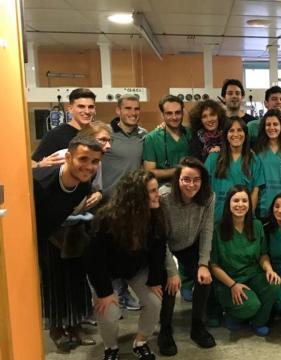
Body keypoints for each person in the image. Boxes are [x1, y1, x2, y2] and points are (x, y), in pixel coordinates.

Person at [32, 136, 103, 353]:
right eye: (83, 159)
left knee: (73, 281)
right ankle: (55, 328)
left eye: (94, 161)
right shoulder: (39, 181)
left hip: (64, 235)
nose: (89, 167)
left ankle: (73, 325)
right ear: (68, 157)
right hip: (39, 239)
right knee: (51, 285)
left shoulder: (84, 185)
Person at [86, 170, 166, 360]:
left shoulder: (155, 213)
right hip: (107, 272)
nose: (158, 194)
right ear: (136, 196)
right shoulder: (106, 219)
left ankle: (140, 342)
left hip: (136, 268)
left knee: (154, 302)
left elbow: (158, 249)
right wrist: (104, 293)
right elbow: (94, 260)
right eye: (152, 191)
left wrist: (155, 280)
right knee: (108, 312)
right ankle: (111, 348)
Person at [157, 157, 216, 356]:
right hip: (164, 244)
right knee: (169, 284)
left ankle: (197, 326)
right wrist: (172, 271)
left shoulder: (208, 197)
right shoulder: (163, 197)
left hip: (189, 245)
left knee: (205, 279)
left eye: (196, 180)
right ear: (177, 179)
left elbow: (207, 231)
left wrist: (203, 263)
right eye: (186, 179)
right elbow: (160, 239)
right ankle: (165, 330)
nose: (191, 184)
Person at [210, 185, 281, 336]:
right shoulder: (218, 230)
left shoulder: (256, 226)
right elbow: (213, 265)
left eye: (244, 201)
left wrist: (269, 269)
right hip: (228, 281)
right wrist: (233, 285)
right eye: (236, 201)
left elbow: (263, 254)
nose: (240, 205)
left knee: (274, 284)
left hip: (252, 275)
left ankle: (258, 322)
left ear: (250, 204)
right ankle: (232, 315)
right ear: (228, 204)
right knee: (252, 305)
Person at [100, 94, 147, 310]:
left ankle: (126, 294)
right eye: (128, 108)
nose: (132, 113)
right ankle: (114, 296)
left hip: (133, 206)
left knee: (129, 250)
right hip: (108, 204)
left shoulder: (143, 136)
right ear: (118, 110)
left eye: (136, 109)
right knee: (109, 252)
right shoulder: (105, 135)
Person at [204, 117, 265, 222]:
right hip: (217, 217)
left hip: (243, 218)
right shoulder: (214, 158)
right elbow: (204, 187)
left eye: (239, 130)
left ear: (246, 135)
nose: (235, 134)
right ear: (226, 135)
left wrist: (249, 216)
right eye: (231, 131)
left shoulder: (254, 160)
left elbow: (255, 191)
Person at [32, 88, 97, 168]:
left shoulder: (97, 134)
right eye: (81, 106)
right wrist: (40, 165)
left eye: (91, 107)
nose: (87, 111)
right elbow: (32, 164)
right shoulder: (56, 135)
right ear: (70, 109)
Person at [143, 95, 191, 184]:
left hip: (189, 188)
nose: (174, 117)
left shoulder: (190, 134)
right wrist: (179, 170)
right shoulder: (152, 138)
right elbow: (149, 172)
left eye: (178, 112)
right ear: (162, 115)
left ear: (182, 113)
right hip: (163, 192)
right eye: (169, 113)